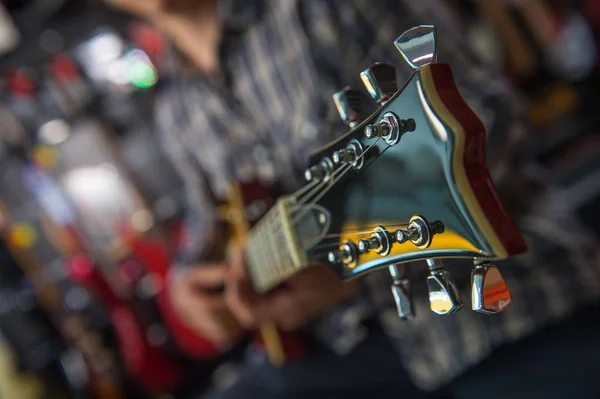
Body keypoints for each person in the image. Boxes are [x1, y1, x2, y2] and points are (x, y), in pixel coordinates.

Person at [106, 1, 600, 398]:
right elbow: (210, 228)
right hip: (343, 354)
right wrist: (194, 290)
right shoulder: (173, 111)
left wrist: (352, 256)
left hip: (493, 313)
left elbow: (485, 120)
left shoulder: (323, 10)